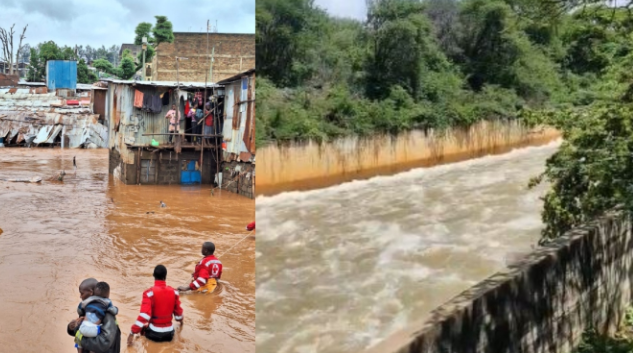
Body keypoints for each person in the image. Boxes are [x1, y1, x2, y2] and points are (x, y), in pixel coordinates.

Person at [128, 265, 184, 346]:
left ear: (153, 275)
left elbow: (144, 316)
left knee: (143, 331)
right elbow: (178, 314)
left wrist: (132, 332)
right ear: (165, 276)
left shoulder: (149, 293)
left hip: (154, 334)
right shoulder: (174, 292)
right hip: (169, 335)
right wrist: (181, 322)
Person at [67, 278, 121, 353]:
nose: (80, 296)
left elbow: (103, 343)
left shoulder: (107, 314)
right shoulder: (87, 309)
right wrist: (73, 328)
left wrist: (79, 336)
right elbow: (81, 331)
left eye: (82, 293)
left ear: (91, 292)